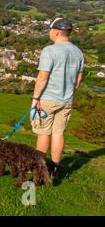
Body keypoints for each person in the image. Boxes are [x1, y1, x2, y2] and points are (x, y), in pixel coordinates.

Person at [31, 18, 84, 179]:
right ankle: (54, 168)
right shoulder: (78, 52)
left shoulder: (49, 51)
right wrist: (70, 93)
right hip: (66, 99)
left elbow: (42, 78)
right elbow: (79, 78)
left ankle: (39, 167)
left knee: (43, 133)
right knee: (58, 133)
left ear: (55, 31)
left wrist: (35, 99)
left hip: (47, 99)